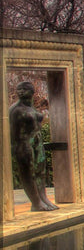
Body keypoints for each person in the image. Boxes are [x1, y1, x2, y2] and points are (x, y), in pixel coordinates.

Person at [8, 81, 58, 211]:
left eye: (24, 89)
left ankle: (43, 198)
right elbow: (10, 132)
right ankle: (36, 202)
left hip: (37, 142)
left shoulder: (31, 108)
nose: (20, 91)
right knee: (28, 173)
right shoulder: (14, 110)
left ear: (32, 91)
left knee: (41, 172)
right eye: (19, 89)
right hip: (23, 144)